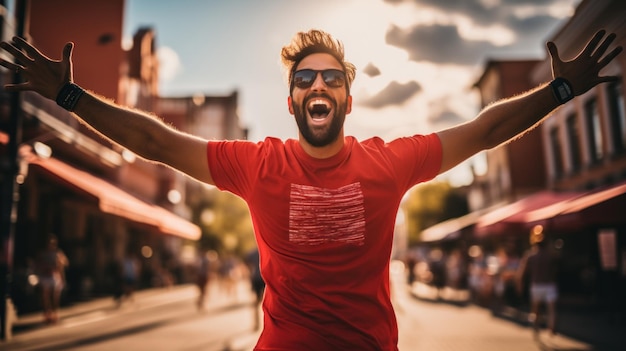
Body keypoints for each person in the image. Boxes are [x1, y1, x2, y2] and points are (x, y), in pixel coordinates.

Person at [0, 28, 620, 350]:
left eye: (330, 77)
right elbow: (157, 142)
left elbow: (486, 130)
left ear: (347, 96)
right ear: (292, 98)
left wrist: (560, 90)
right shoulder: (256, 164)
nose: (317, 86)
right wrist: (67, 94)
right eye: (305, 79)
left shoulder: (390, 163)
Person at [516, 225, 560, 336]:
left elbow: (521, 273)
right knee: (551, 309)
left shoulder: (530, 256)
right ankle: (551, 327)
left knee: (536, 309)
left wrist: (520, 285)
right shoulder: (550, 255)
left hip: (536, 285)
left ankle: (536, 327)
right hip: (549, 285)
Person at [35, 234, 69, 324]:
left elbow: (65, 262)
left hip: (54, 276)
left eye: (53, 243)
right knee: (45, 296)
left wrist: (60, 262)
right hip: (45, 276)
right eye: (49, 243)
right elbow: (37, 264)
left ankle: (55, 313)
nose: (51, 244)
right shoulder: (42, 253)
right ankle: (47, 313)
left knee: (55, 296)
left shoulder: (57, 253)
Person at [245, 247, 265, 330]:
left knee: (256, 302)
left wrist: (251, 272)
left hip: (256, 278)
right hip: (265, 278)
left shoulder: (252, 253)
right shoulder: (266, 250)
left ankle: (256, 324)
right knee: (269, 302)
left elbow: (247, 264)